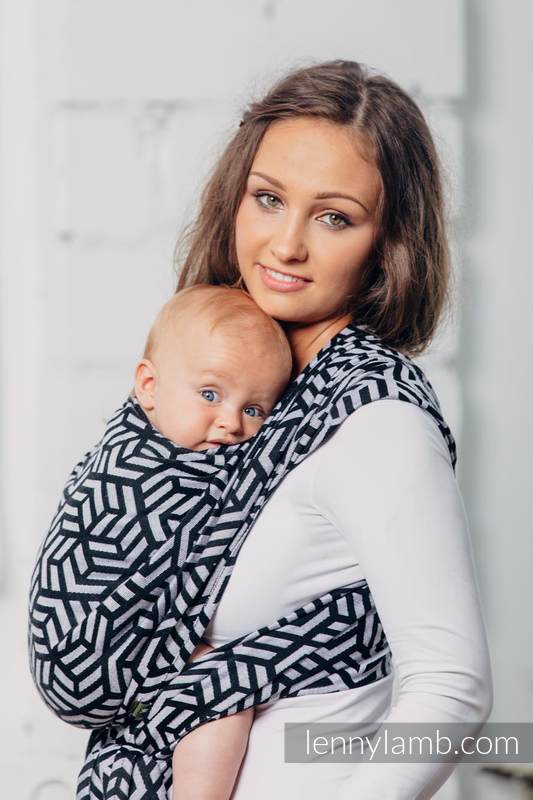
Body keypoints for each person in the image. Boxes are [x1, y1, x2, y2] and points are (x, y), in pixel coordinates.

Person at [174, 60, 493, 798]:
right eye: (267, 199)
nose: (286, 245)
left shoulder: (376, 421)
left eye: (334, 217)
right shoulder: (246, 399)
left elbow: (451, 688)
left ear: (389, 242)